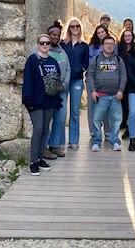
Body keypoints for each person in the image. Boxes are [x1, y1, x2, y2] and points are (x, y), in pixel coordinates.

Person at [22, 34, 63, 176]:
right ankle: (33, 161)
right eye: (42, 43)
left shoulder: (53, 61)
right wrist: (28, 100)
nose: (45, 45)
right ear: (38, 44)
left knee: (46, 129)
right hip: (36, 101)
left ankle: (39, 158)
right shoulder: (32, 60)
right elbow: (28, 80)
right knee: (38, 128)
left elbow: (57, 81)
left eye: (47, 43)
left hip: (49, 101)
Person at [86, 35, 127, 152]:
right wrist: (93, 91)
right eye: (107, 43)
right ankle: (96, 142)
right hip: (100, 96)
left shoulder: (119, 60)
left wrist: (121, 90)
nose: (109, 46)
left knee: (116, 120)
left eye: (111, 44)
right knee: (97, 120)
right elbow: (90, 76)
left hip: (115, 96)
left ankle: (115, 141)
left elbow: (123, 76)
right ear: (103, 46)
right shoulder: (96, 59)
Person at [60, 17, 89, 151]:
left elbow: (86, 63)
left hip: (77, 80)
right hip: (63, 80)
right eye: (72, 26)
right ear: (68, 28)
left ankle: (74, 140)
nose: (75, 28)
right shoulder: (63, 44)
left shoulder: (84, 45)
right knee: (61, 110)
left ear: (80, 28)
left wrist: (80, 69)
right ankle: (59, 141)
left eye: (77, 26)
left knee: (75, 111)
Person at [43, 21, 71, 159]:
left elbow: (68, 69)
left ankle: (55, 145)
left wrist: (64, 84)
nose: (55, 37)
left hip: (61, 92)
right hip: (46, 92)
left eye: (58, 35)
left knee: (60, 118)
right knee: (45, 119)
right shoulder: (41, 49)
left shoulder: (63, 52)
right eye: (52, 34)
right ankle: (43, 147)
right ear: (48, 35)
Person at [87, 24, 110, 139]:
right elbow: (89, 63)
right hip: (92, 79)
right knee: (92, 106)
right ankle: (94, 131)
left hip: (107, 80)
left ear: (106, 33)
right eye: (99, 32)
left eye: (103, 32)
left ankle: (107, 132)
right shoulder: (91, 46)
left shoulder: (111, 45)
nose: (101, 34)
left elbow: (114, 63)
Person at [117, 29, 135, 139]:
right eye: (125, 36)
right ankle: (124, 127)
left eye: (129, 35)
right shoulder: (120, 49)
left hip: (133, 81)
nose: (128, 37)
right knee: (123, 106)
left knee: (132, 107)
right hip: (122, 80)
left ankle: (131, 129)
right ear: (123, 37)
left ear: (132, 36)